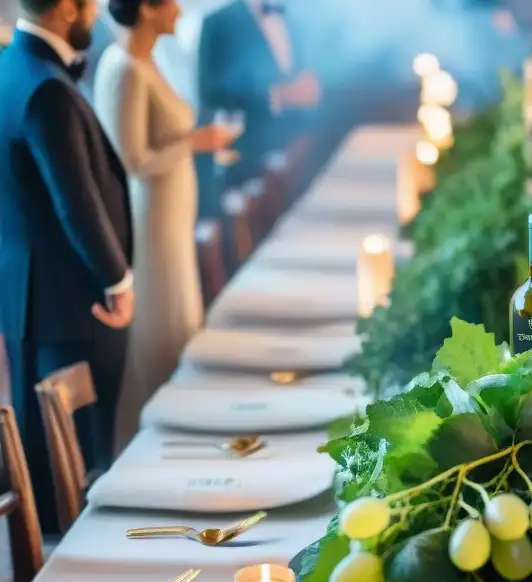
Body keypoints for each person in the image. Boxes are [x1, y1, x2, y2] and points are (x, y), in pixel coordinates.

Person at [0, 0, 134, 533]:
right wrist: (116, 280)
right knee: (74, 463)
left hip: (31, 293)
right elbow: (73, 199)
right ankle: (70, 569)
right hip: (72, 298)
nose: (98, 12)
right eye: (90, 4)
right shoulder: (47, 87)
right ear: (64, 8)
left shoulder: (14, 64)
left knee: (43, 451)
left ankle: (49, 551)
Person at [93, 0, 234, 448]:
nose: (179, 9)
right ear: (149, 9)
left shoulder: (148, 62)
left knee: (179, 314)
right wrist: (195, 142)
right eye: (170, 2)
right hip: (150, 219)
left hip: (171, 214)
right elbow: (131, 159)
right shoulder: (125, 69)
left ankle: (184, 429)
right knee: (161, 320)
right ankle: (157, 439)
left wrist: (193, 144)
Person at [195, 0, 321, 216]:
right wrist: (275, 95)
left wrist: (309, 93)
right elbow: (210, 90)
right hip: (243, 158)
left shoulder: (292, 18)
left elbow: (301, 76)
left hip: (291, 153)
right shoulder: (219, 22)